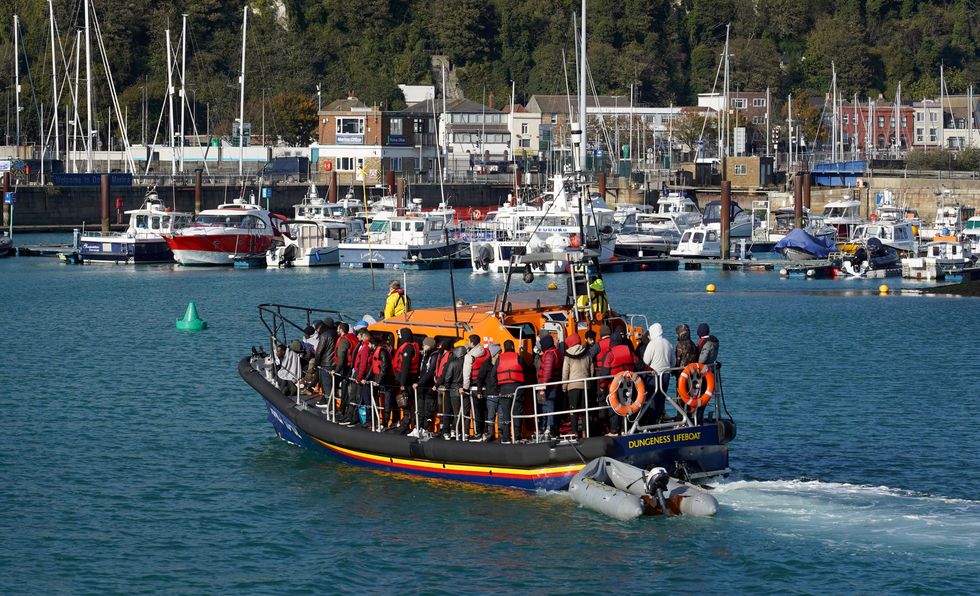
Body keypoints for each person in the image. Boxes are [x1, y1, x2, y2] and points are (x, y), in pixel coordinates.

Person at [601, 332, 639, 436]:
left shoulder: (610, 354)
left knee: (614, 408)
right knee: (627, 406)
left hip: (614, 386)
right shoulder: (629, 351)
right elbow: (639, 364)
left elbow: (605, 372)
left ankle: (614, 431)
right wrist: (650, 370)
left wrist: (602, 386)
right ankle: (624, 429)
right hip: (629, 385)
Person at [641, 323, 675, 424]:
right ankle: (658, 419)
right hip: (666, 375)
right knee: (661, 399)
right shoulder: (668, 343)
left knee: (652, 398)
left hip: (654, 375)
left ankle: (651, 422)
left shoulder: (652, 344)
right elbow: (673, 362)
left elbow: (646, 361)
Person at [561, 333, 593, 438]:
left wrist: (564, 386)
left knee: (573, 411)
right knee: (585, 411)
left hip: (573, 386)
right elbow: (591, 369)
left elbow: (565, 372)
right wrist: (589, 382)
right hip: (585, 385)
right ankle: (585, 432)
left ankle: (574, 433)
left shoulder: (567, 355)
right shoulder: (587, 352)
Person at [495, 340, 525, 443]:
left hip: (504, 390)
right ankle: (517, 437)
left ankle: (506, 437)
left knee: (506, 414)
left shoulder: (499, 359)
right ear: (512, 346)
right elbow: (526, 371)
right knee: (517, 413)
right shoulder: (519, 358)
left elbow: (493, 375)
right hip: (518, 389)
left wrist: (498, 389)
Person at [392, 327, 420, 432]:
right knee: (404, 403)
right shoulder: (411, 346)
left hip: (407, 380)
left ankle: (405, 426)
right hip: (406, 379)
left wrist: (402, 383)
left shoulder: (408, 348)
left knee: (406, 403)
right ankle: (404, 424)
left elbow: (405, 366)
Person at [462, 334, 489, 441]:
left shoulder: (469, 356)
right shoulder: (486, 352)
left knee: (476, 412)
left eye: (468, 341)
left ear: (472, 343)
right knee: (485, 411)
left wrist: (465, 387)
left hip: (474, 388)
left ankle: (478, 434)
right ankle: (486, 432)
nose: (467, 343)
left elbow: (467, 374)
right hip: (485, 387)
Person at [535, 334, 561, 438]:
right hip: (552, 385)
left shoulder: (549, 355)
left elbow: (547, 372)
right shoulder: (556, 352)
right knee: (547, 406)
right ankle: (547, 427)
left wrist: (542, 387)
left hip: (548, 386)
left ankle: (548, 428)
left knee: (548, 406)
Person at [413, 337, 440, 432]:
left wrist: (419, 383)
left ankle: (425, 429)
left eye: (424, 345)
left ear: (429, 345)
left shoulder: (434, 356)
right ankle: (418, 428)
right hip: (422, 387)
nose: (423, 346)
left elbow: (430, 372)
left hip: (429, 386)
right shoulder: (425, 355)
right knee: (420, 409)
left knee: (428, 410)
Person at [441, 345, 467, 439]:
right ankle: (457, 430)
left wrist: (447, 386)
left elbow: (447, 377)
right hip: (464, 389)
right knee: (462, 412)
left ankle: (453, 431)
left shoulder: (453, 363)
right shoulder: (467, 363)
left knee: (454, 412)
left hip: (453, 390)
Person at [370, 334, 395, 431]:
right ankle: (380, 420)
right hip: (381, 380)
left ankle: (385, 423)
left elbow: (384, 367)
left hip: (387, 380)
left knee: (387, 402)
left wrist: (378, 380)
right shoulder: (377, 351)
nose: (368, 346)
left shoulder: (382, 352)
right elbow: (374, 367)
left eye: (369, 344)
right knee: (382, 402)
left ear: (373, 344)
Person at [478, 343, 501, 441]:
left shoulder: (501, 363)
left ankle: (501, 435)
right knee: (490, 416)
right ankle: (491, 434)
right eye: (499, 352)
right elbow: (480, 378)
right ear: (494, 353)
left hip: (501, 393)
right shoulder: (486, 364)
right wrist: (479, 391)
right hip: (491, 393)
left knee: (501, 416)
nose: (500, 354)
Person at [311, 318, 337, 402]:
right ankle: (327, 401)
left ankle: (330, 405)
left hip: (326, 363)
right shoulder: (337, 333)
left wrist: (315, 365)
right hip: (336, 363)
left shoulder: (324, 335)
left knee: (326, 385)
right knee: (333, 385)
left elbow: (319, 352)